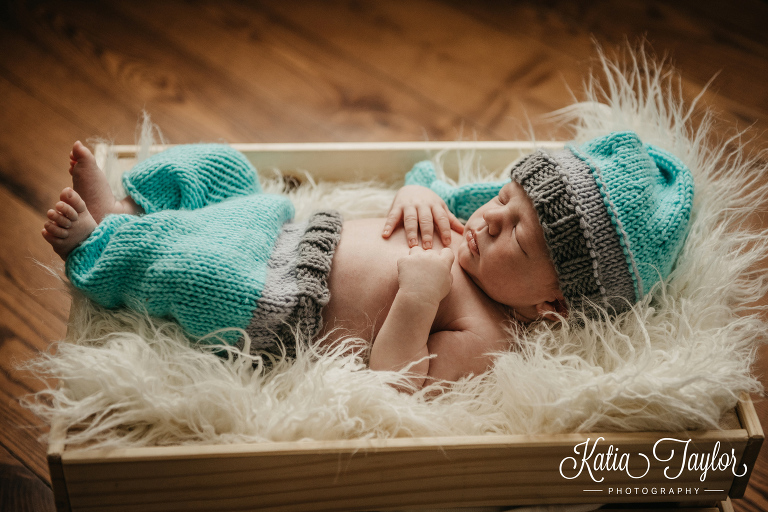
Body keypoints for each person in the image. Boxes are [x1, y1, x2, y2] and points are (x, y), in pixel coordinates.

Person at [42, 132, 694, 390]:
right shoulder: (468, 225)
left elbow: (397, 381)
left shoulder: (488, 335)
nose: (490, 217)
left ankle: (107, 247)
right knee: (221, 168)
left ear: (552, 304)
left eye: (516, 237)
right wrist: (414, 191)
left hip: (275, 303)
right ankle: (137, 207)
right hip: (287, 226)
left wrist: (416, 296)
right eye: (503, 197)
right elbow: (426, 177)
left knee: (197, 270)